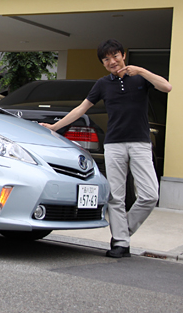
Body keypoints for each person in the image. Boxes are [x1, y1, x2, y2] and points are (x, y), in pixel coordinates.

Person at [40, 39, 172, 258]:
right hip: (114, 144)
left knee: (149, 195)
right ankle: (121, 243)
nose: (112, 62)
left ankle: (123, 232)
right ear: (103, 63)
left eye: (115, 56)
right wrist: (55, 127)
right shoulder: (102, 84)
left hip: (140, 142)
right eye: (106, 59)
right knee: (116, 197)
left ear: (123, 55)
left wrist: (141, 70)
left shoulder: (141, 78)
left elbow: (166, 87)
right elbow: (81, 108)